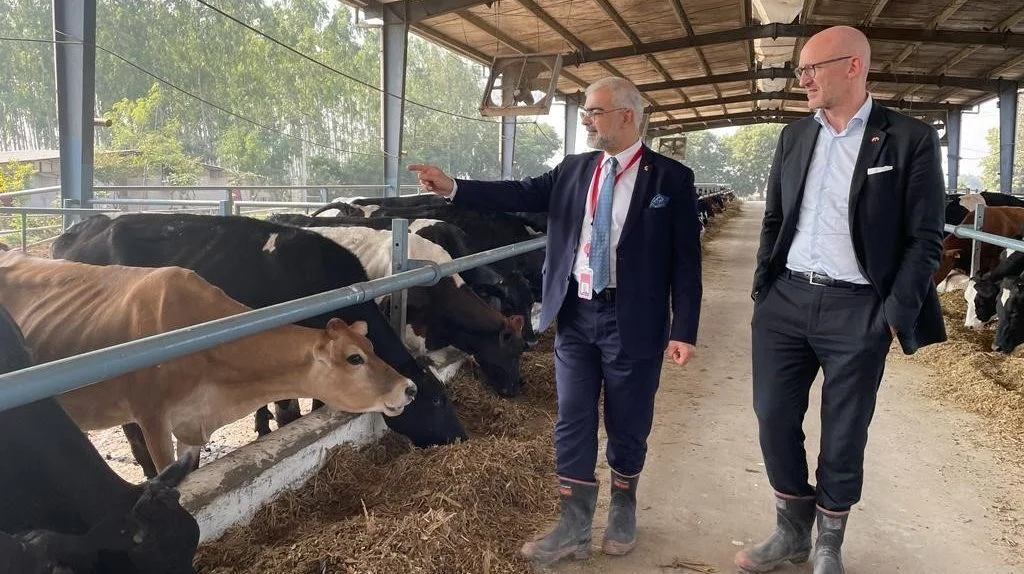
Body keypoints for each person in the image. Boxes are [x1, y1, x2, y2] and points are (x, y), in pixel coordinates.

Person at [409, 76, 702, 565]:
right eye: (585, 111)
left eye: (594, 111)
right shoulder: (573, 170)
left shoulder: (671, 179)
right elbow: (516, 193)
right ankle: (573, 524)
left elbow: (686, 263)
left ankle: (624, 503)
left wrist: (684, 330)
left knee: (628, 419)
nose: (585, 119)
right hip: (576, 313)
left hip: (634, 317)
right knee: (572, 418)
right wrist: (455, 186)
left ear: (627, 116)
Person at [737, 25, 946, 574]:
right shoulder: (795, 136)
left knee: (845, 428)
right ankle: (791, 531)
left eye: (812, 68)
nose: (802, 78)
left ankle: (829, 540)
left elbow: (926, 238)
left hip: (859, 309)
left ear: (853, 67)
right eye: (800, 70)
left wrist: (892, 316)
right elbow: (776, 217)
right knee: (772, 417)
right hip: (785, 301)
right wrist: (763, 285)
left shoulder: (907, 138)